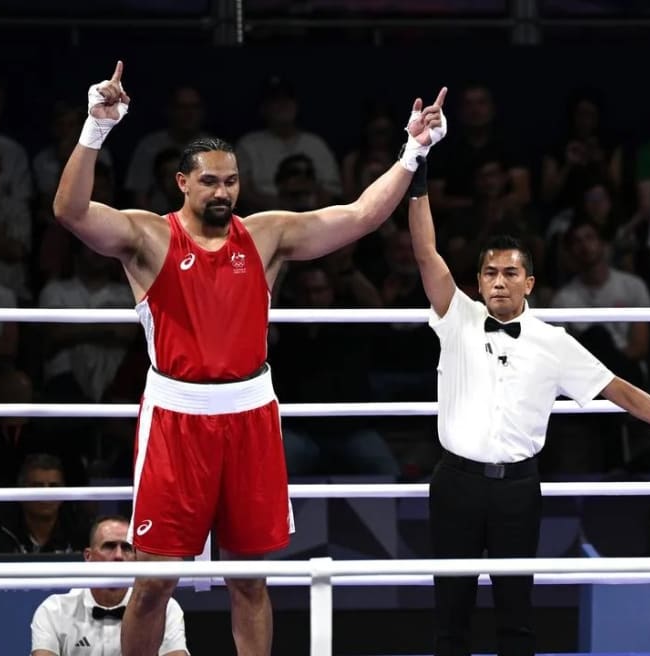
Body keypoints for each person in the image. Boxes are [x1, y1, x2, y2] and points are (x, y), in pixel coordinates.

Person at [51, 61, 448, 656]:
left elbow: (360, 216)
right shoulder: (147, 236)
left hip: (251, 416)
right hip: (176, 420)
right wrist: (94, 129)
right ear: (182, 183)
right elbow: (71, 213)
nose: (223, 192)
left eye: (231, 181)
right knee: (154, 580)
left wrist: (412, 151)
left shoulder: (265, 236)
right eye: (210, 181)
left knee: (251, 580)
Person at [405, 155, 650, 656]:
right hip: (456, 483)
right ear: (479, 281)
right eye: (490, 273)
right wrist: (416, 173)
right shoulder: (456, 316)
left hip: (518, 488)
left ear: (529, 283)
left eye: (510, 273)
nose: (500, 281)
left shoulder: (555, 342)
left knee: (517, 611)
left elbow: (618, 388)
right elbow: (426, 252)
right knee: (451, 612)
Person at [30, 515, 188, 656]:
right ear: (88, 556)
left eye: (126, 548)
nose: (118, 556)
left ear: (136, 557)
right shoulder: (54, 610)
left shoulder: (165, 608)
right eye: (109, 546)